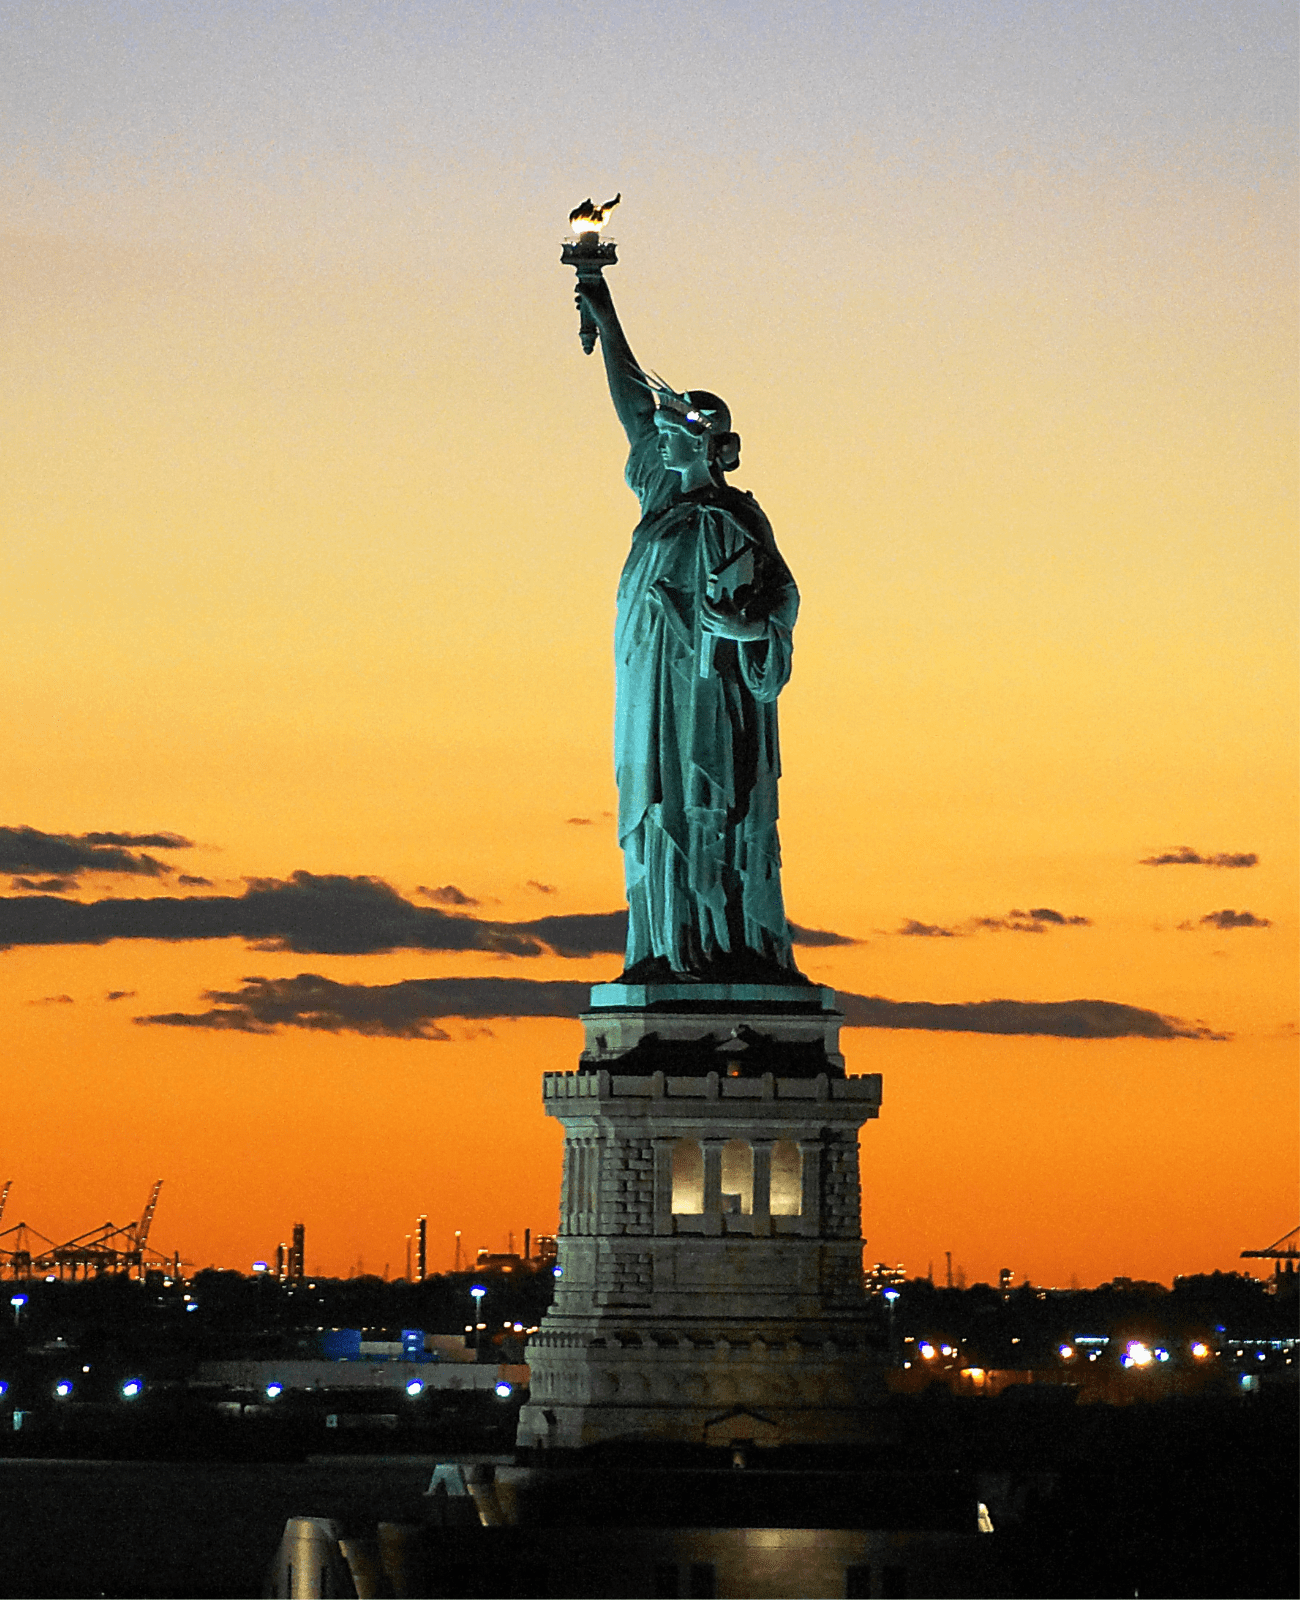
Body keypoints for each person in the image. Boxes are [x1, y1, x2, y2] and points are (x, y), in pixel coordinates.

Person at [576, 274, 803, 983]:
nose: (659, 441)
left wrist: (748, 628)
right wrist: (601, 306)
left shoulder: (734, 519)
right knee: (653, 808)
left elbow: (784, 598)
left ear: (703, 448)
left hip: (709, 698)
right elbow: (630, 406)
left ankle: (715, 940)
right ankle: (660, 943)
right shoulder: (660, 495)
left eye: (673, 435)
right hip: (650, 687)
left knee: (707, 810)